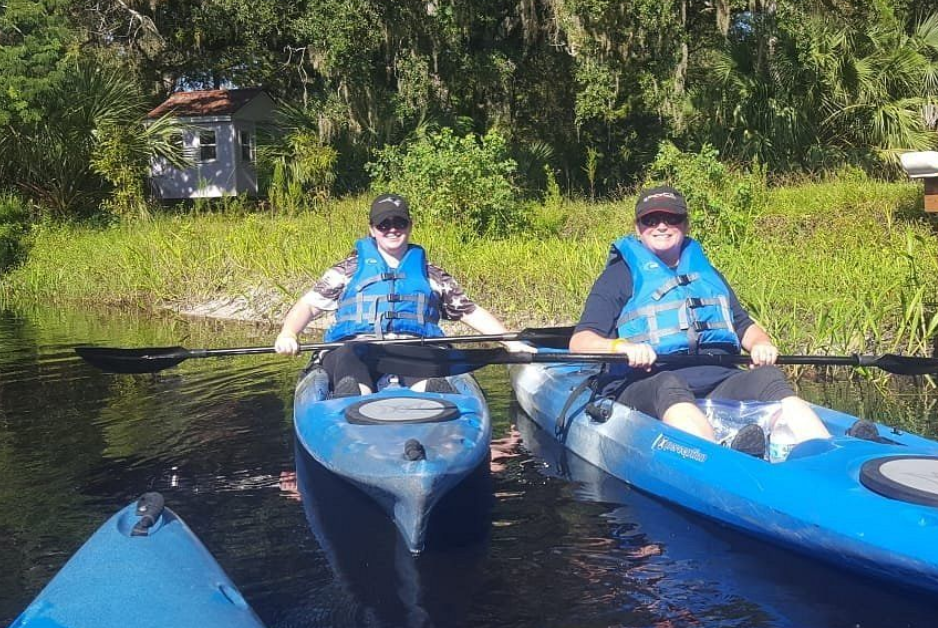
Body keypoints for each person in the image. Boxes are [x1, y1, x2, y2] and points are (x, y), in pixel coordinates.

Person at [569, 185, 831, 458]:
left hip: (718, 381)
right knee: (668, 384)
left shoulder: (706, 274)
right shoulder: (619, 276)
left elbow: (742, 324)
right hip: (649, 384)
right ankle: (719, 459)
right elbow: (581, 340)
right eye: (651, 220)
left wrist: (760, 343)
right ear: (638, 228)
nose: (661, 226)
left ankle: (823, 455)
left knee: (768, 377)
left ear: (686, 225)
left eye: (672, 219)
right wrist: (620, 348)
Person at [274, 193, 519, 396]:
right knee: (350, 356)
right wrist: (289, 332)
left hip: (415, 349)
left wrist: (511, 341)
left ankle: (435, 400)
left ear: (410, 226)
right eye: (384, 224)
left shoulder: (431, 274)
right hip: (357, 349)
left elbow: (470, 312)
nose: (392, 229)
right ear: (372, 229)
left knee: (427, 365)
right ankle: (354, 402)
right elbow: (308, 305)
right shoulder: (346, 270)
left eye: (399, 223)